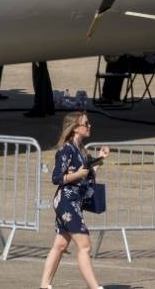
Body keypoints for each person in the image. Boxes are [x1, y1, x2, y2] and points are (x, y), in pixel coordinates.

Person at [38, 112, 110, 289]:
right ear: (75, 128)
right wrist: (77, 174)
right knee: (85, 245)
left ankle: (44, 285)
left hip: (75, 202)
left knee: (61, 244)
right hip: (66, 202)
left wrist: (100, 159)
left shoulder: (82, 151)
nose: (89, 126)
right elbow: (56, 178)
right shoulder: (66, 150)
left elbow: (89, 175)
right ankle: (94, 287)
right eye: (86, 123)